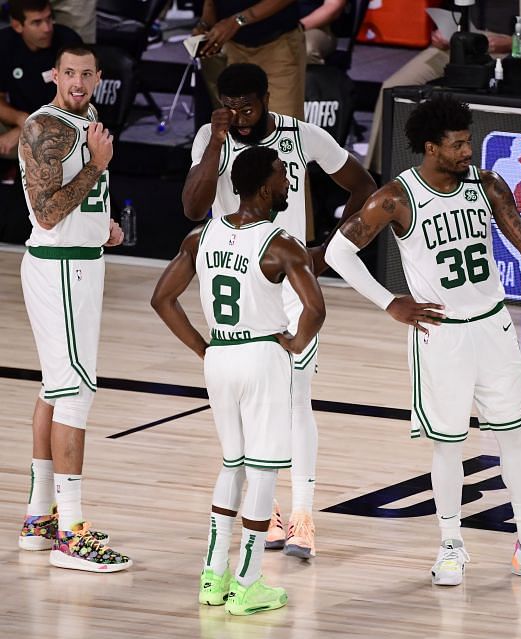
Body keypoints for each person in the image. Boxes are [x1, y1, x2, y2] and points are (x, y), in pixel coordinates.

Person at [326, 94, 521, 586]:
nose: (469, 151)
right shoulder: (396, 197)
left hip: (493, 325)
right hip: (440, 335)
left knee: (515, 438)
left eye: (469, 141)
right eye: (459, 144)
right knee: (447, 446)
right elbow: (338, 250)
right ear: (430, 147)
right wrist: (389, 302)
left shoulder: (486, 184)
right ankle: (450, 546)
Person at [183, 62, 376, 559]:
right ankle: (261, 511)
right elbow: (191, 206)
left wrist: (329, 249)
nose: (239, 117)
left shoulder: (301, 135)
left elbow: (363, 184)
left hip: (286, 280)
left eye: (247, 107)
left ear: (267, 97)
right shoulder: (213, 135)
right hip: (240, 281)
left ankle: (303, 515)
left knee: (295, 398)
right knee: (247, 403)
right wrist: (216, 143)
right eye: (230, 107)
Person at [152, 146, 325, 615]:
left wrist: (201, 347)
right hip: (261, 354)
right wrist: (296, 342)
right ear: (265, 185)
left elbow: (162, 299)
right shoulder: (281, 243)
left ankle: (212, 576)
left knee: (232, 465)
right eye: (283, 175)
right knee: (264, 470)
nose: (289, 182)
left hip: (220, 357)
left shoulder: (200, 236)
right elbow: (315, 308)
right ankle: (247, 583)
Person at [17, 45, 130, 572]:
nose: (79, 81)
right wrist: (98, 167)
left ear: (98, 77)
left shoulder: (86, 119)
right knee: (76, 393)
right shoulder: (46, 127)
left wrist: (100, 224)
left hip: (77, 259)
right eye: (70, 73)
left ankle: (41, 520)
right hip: (61, 268)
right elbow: (44, 212)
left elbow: (75, 202)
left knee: (53, 387)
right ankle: (72, 533)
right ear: (55, 75)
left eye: (88, 73)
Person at [363, 0, 521, 176]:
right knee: (393, 87)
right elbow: (457, 12)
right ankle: (377, 178)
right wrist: (443, 34)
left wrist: (506, 43)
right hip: (462, 42)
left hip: (508, 50)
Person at [195, 0, 306, 120]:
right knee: (234, 126)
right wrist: (206, 22)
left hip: (275, 43)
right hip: (228, 43)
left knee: (281, 127)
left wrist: (238, 20)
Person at [0, 0, 81, 158]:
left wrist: (28, 126)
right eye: (37, 23)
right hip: (20, 119)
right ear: (18, 26)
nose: (47, 28)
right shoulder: (4, 44)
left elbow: (75, 103)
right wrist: (20, 119)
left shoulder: (69, 43)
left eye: (49, 19)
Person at [299, 0, 346, 65]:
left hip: (317, 26)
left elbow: (333, 7)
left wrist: (298, 27)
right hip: (283, 23)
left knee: (303, 49)